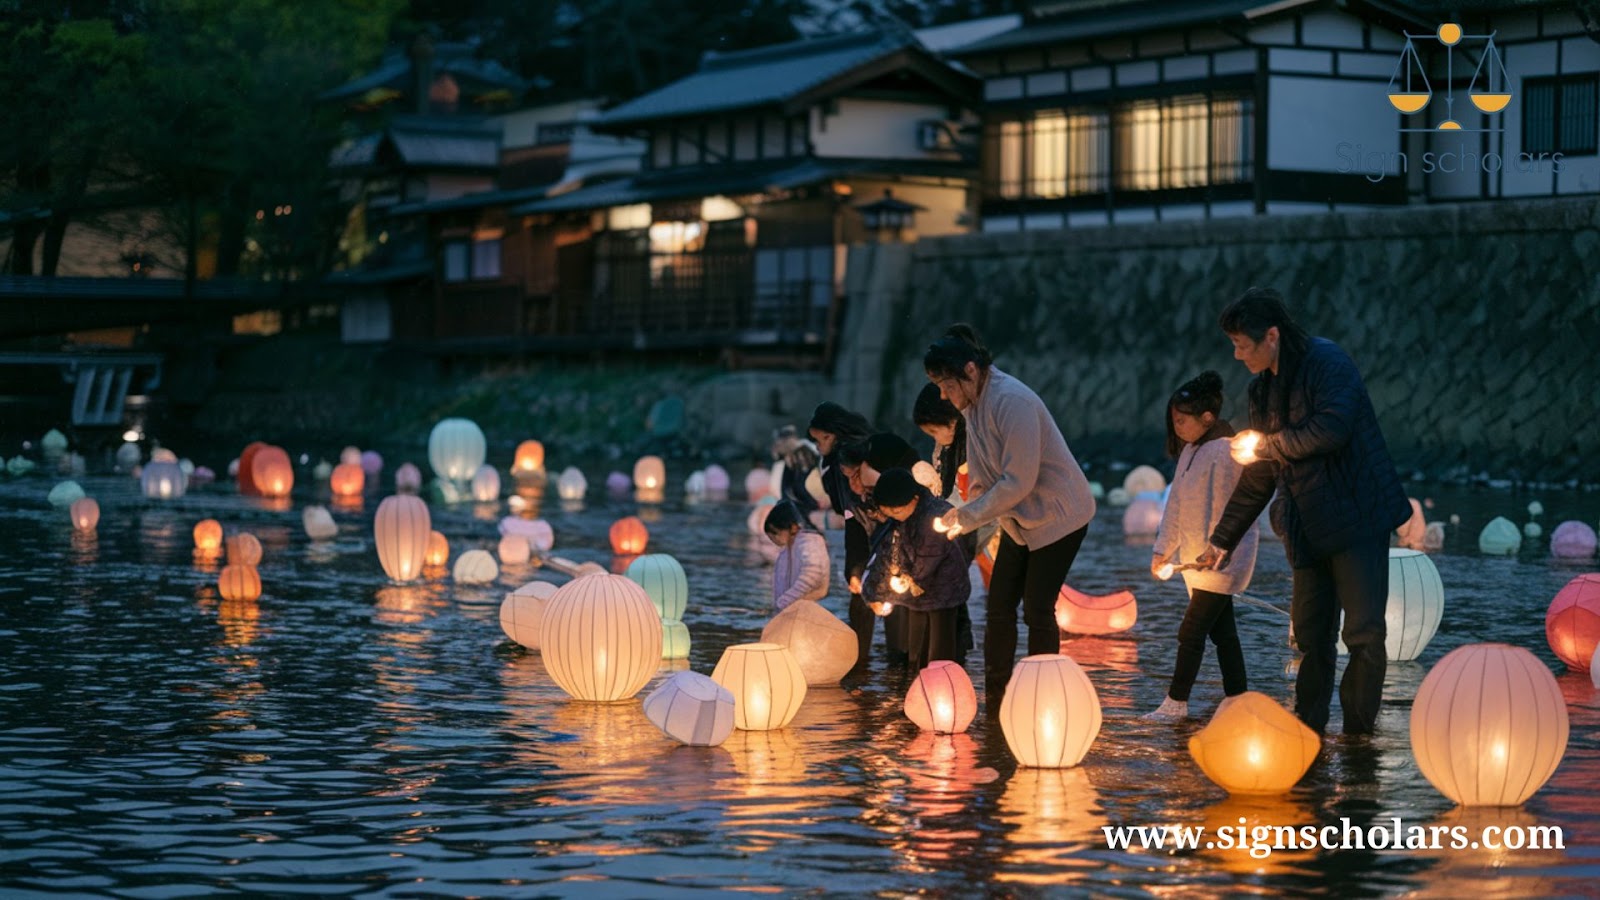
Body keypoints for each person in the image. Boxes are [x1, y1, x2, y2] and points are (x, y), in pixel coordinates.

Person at [1199, 287, 1410, 737]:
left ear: (1271, 336)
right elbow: (1260, 474)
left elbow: (1330, 429)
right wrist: (1222, 540)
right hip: (1306, 525)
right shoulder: (1261, 390)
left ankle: (1357, 737)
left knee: (1364, 634)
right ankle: (1307, 732)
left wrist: (1267, 444)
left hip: (1357, 517)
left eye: (1241, 344)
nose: (1236, 355)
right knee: (1311, 638)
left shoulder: (1328, 363)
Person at [925, 324, 1095, 710]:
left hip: (1060, 516)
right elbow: (985, 476)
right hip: (1019, 522)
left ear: (970, 370)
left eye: (946, 384)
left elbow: (1019, 480)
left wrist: (967, 518)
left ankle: (1043, 697)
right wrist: (966, 514)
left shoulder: (1011, 401)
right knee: (999, 605)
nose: (943, 394)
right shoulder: (973, 406)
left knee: (1037, 606)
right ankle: (997, 699)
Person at [1145, 371, 1259, 721]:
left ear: (1206, 418)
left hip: (1220, 560)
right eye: (1174, 421)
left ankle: (1176, 702)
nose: (1177, 427)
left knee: (1191, 630)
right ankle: (1238, 698)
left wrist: (1217, 551)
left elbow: (1230, 508)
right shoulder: (1191, 451)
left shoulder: (1226, 452)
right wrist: (1163, 549)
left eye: (1182, 420)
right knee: (1224, 634)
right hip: (1197, 561)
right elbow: (1175, 504)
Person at [860, 467, 971, 671]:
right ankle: (918, 685)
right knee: (917, 653)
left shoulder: (936, 517)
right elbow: (886, 556)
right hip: (916, 596)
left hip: (944, 592)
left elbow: (926, 562)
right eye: (889, 512)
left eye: (897, 511)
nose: (895, 516)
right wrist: (873, 594)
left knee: (940, 652)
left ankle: (945, 687)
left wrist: (897, 588)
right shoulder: (899, 521)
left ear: (914, 499)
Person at [807, 402, 875, 673]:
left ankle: (862, 658)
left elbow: (844, 503)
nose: (818, 445)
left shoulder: (845, 458)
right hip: (857, 522)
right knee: (863, 587)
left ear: (835, 435)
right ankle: (869, 656)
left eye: (822, 439)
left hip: (864, 525)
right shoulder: (834, 460)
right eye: (816, 440)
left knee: (861, 586)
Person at [765, 499, 830, 611]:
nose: (774, 539)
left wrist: (786, 600)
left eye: (776, 533)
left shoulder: (809, 542)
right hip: (791, 611)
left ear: (793, 527)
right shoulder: (787, 550)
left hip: (808, 612)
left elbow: (814, 572)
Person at [771, 425, 822, 518]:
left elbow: (805, 485)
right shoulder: (787, 458)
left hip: (811, 504)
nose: (777, 446)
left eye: (780, 442)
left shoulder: (805, 452)